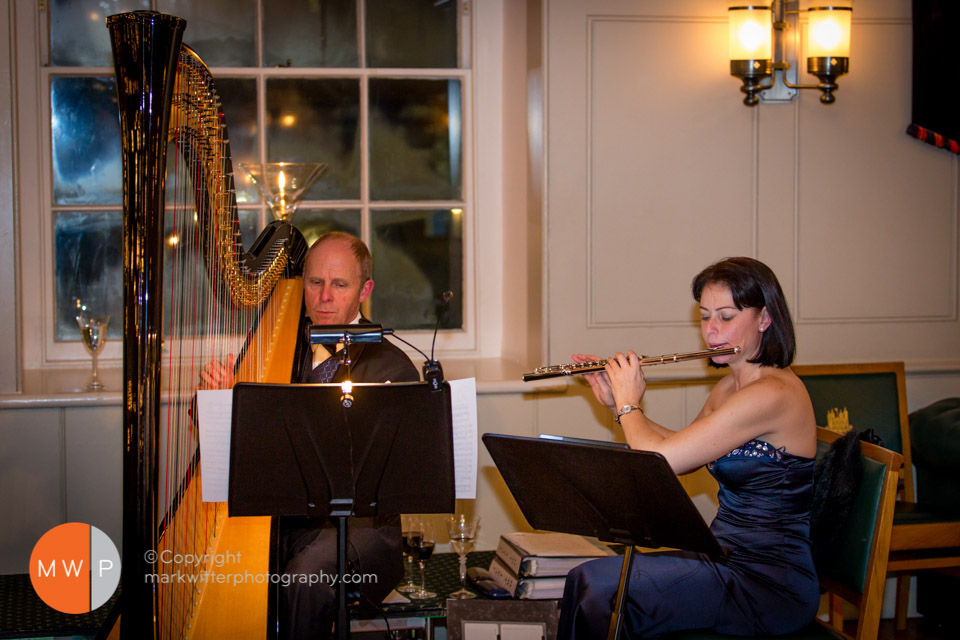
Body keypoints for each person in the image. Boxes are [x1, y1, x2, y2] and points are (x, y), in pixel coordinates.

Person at [558, 257, 819, 639]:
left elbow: (666, 460)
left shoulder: (773, 393)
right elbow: (681, 450)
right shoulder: (730, 388)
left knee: (601, 589)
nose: (712, 331)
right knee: (591, 579)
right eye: (704, 316)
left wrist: (630, 405)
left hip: (768, 583)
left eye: (726, 317)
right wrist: (619, 408)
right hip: (724, 556)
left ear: (764, 319)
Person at [200, 231, 419, 640]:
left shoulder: (391, 365)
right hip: (283, 518)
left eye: (340, 284)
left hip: (359, 530)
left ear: (364, 290)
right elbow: (248, 446)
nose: (324, 297)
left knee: (304, 577)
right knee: (217, 566)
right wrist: (221, 405)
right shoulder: (282, 344)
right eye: (315, 282)